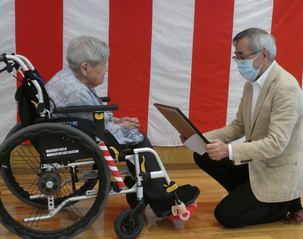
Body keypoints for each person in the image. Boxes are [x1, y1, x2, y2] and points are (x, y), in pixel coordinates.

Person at [45, 35, 199, 218]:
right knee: (138, 138)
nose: (106, 70)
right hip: (78, 138)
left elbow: (89, 115)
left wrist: (117, 121)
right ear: (85, 67)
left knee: (130, 132)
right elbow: (93, 126)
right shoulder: (76, 92)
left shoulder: (69, 77)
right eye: (103, 65)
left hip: (71, 130)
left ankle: (150, 189)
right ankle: (161, 199)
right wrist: (124, 126)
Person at [181, 28, 303, 228]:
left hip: (279, 170)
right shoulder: (251, 84)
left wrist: (227, 150)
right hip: (259, 164)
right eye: (236, 56)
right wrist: (197, 137)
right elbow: (239, 126)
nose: (238, 62)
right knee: (202, 152)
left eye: (241, 56)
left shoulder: (286, 88)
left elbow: (276, 144)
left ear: (263, 55)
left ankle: (283, 203)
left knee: (226, 216)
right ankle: (256, 198)